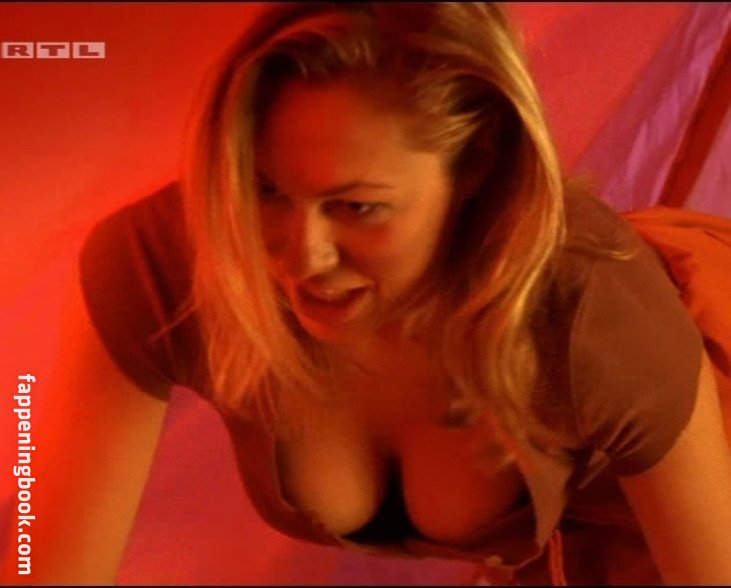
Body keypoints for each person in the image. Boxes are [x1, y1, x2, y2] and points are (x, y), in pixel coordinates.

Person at [3, 2, 731, 585]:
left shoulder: (595, 316)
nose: (302, 258)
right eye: (265, 191)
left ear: (475, 167)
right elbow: (38, 552)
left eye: (357, 207)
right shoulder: (159, 260)